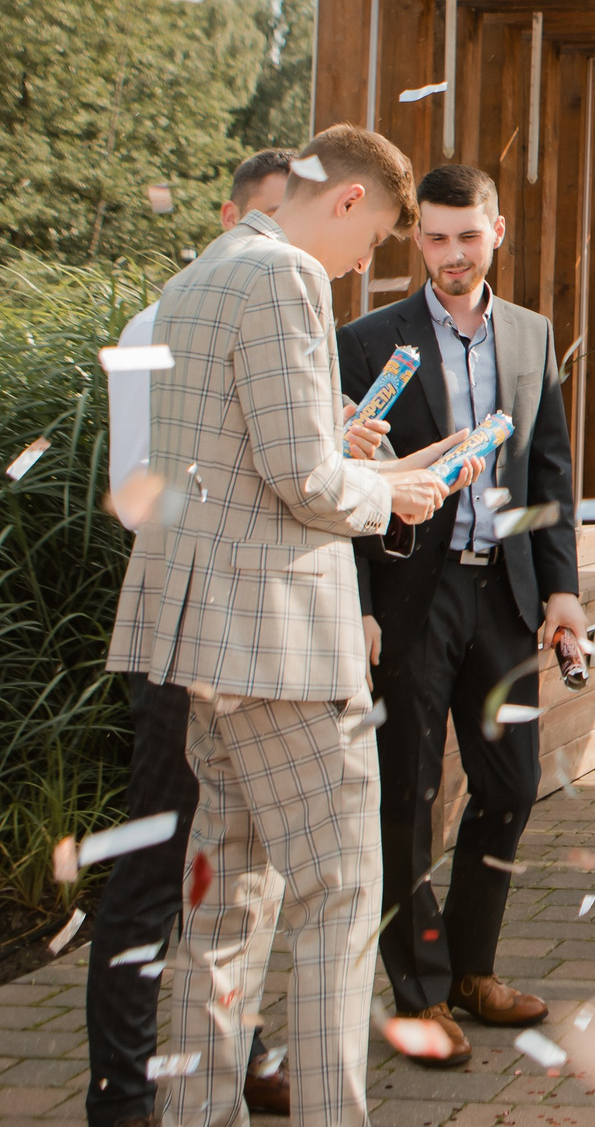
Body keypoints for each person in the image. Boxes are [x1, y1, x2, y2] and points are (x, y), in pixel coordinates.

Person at [105, 125, 469, 1127]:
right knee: (341, 900)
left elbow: (250, 463)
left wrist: (392, 473)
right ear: (349, 201)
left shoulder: (198, 276)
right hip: (275, 642)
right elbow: (301, 477)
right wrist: (391, 500)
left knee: (224, 910)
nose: (364, 269)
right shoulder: (286, 278)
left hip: (193, 637)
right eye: (377, 240)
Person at [89, 152, 316, 1124]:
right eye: (265, 222)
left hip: (263, 638)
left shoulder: (283, 316)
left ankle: (245, 1047)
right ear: (229, 216)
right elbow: (136, 492)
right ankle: (123, 1093)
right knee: (155, 869)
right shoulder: (155, 324)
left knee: (245, 868)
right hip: (186, 632)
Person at [338, 163, 581, 1069]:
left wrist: (561, 589)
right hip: (408, 597)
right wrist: (358, 604)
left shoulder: (529, 334)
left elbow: (547, 471)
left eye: (466, 236)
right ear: (417, 240)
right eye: (434, 237)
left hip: (506, 591)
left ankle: (474, 970)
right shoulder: (368, 341)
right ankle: (421, 990)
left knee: (512, 786)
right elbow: (344, 481)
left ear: (497, 231)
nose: (449, 254)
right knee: (405, 795)